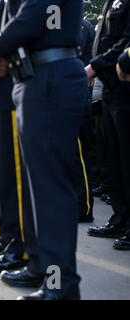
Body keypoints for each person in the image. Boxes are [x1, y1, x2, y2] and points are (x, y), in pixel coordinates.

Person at [0, 0, 89, 299]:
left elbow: (33, 18)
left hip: (49, 76)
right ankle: (38, 265)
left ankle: (60, 285)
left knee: (50, 191)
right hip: (34, 78)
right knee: (37, 190)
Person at [86, 0, 130, 250]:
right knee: (115, 161)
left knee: (127, 161)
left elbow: (125, 41)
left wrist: (95, 66)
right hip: (111, 87)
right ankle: (120, 218)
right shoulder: (110, 3)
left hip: (125, 84)